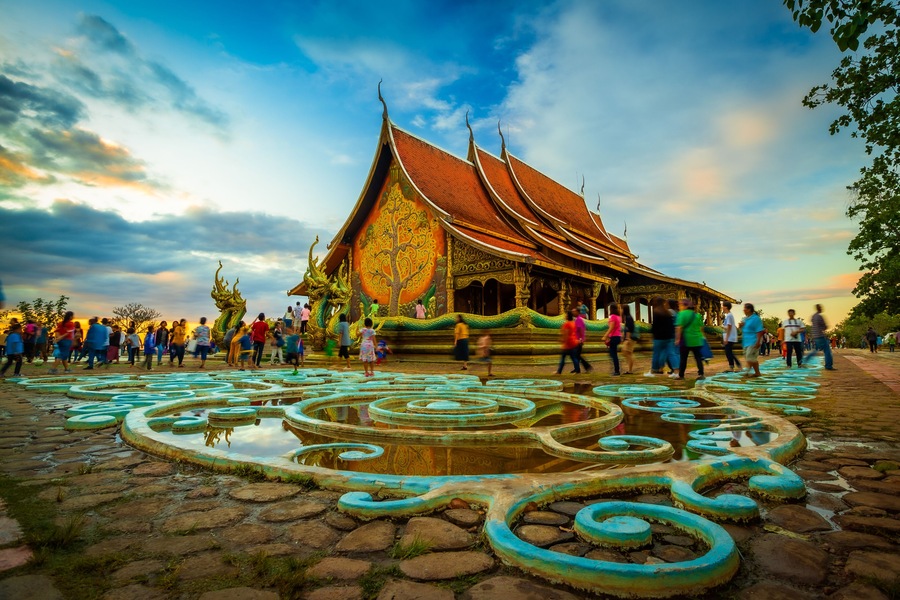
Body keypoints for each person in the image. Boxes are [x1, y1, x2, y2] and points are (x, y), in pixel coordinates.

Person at [674, 299, 705, 381]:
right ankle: (701, 374)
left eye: (680, 305)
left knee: (683, 358)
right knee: (698, 357)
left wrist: (677, 339)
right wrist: (703, 337)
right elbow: (701, 327)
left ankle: (681, 375)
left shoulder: (681, 314)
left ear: (685, 305)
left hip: (686, 340)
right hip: (697, 339)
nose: (679, 307)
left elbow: (679, 327)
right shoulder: (697, 315)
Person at [645, 297, 674, 377]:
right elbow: (671, 326)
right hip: (668, 336)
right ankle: (661, 368)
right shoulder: (668, 313)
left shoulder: (656, 312)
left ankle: (655, 369)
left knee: (657, 353)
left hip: (658, 336)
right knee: (664, 353)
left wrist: (653, 335)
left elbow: (655, 326)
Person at [807, 304, 835, 370]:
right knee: (827, 351)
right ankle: (828, 366)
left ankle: (804, 360)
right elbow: (824, 326)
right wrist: (825, 327)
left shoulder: (813, 316)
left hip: (815, 336)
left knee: (816, 350)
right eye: (821, 307)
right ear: (819, 308)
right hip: (820, 335)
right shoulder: (819, 316)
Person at [740, 303, 764, 377]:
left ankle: (746, 371)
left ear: (749, 309)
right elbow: (744, 330)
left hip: (754, 340)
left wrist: (758, 341)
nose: (743, 310)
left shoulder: (756, 318)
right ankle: (757, 372)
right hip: (746, 341)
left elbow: (759, 330)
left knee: (749, 356)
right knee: (751, 357)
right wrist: (741, 326)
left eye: (745, 308)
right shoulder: (745, 319)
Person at [556, 310, 580, 374]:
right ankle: (577, 370)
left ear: (567, 316)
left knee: (563, 358)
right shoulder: (573, 323)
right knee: (574, 358)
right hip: (574, 342)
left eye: (565, 315)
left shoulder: (566, 324)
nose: (564, 316)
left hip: (568, 343)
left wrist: (564, 342)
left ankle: (559, 371)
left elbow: (566, 334)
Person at [602, 303, 622, 376]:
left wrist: (605, 335)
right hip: (618, 336)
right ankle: (617, 369)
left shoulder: (613, 316)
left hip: (614, 337)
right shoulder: (618, 317)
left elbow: (611, 327)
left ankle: (617, 370)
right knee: (613, 354)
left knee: (613, 354)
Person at [721, 301, 741, 372]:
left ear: (726, 307)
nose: (722, 307)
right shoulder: (729, 315)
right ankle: (737, 365)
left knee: (728, 352)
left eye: (723, 306)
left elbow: (729, 327)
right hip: (729, 336)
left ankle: (732, 367)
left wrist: (726, 338)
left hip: (729, 337)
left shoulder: (729, 315)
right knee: (729, 352)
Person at [620, 305, 636, 375]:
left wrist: (627, 338)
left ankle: (630, 369)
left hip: (630, 338)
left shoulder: (629, 318)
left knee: (626, 352)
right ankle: (630, 369)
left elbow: (629, 329)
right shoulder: (627, 317)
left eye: (621, 309)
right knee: (627, 352)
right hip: (629, 338)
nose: (620, 310)